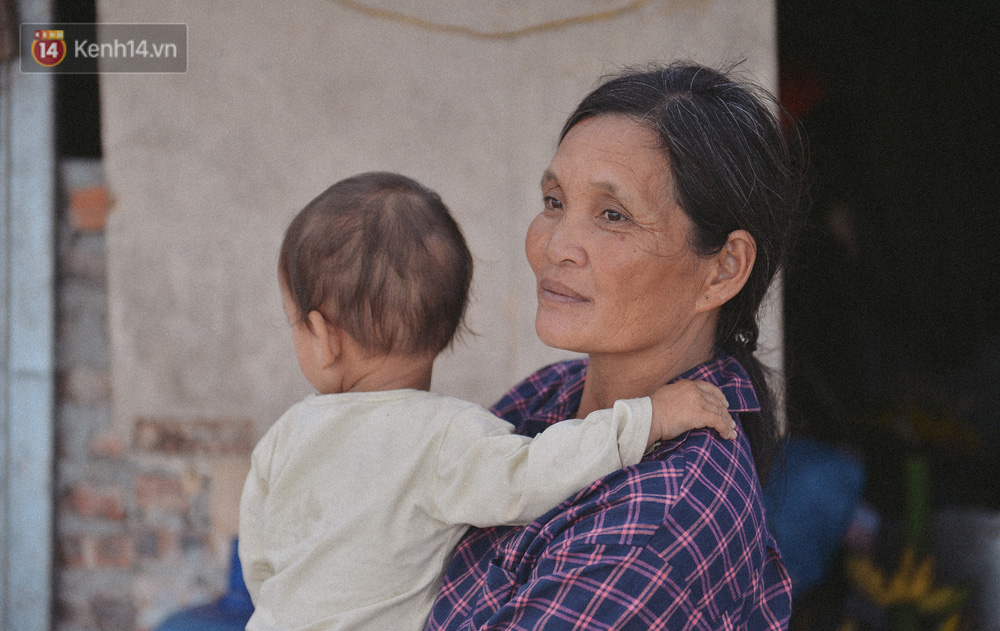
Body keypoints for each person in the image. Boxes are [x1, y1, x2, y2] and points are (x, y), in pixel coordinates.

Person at [238, 172, 737, 631]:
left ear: (322, 336)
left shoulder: (283, 438)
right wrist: (647, 419)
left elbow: (260, 567)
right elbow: (539, 473)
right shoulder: (450, 437)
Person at [425, 62, 804, 630]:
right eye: (554, 201)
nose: (557, 246)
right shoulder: (548, 396)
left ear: (723, 270)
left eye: (612, 215)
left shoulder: (666, 512)